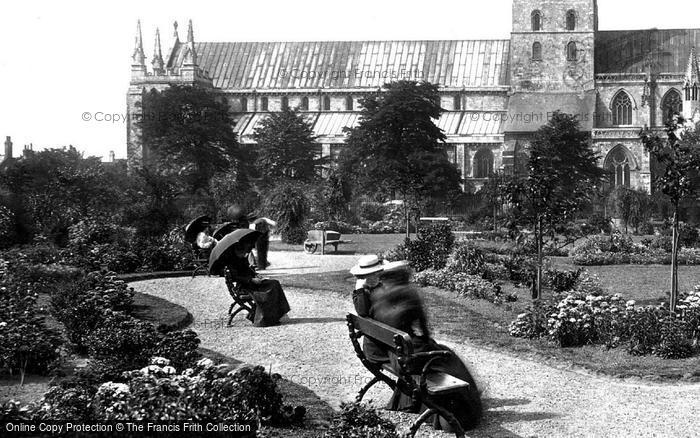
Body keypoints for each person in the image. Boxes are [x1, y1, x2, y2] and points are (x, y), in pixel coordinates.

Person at [373, 260, 483, 432]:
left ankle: (418, 401)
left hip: (395, 356)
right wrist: (428, 342)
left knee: (440, 352)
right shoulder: (408, 293)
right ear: (403, 276)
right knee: (448, 356)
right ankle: (463, 408)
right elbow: (424, 328)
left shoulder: (379, 295)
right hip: (410, 359)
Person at [226, 240, 290, 327]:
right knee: (270, 290)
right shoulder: (232, 262)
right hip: (245, 287)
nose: (245, 253)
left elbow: (248, 270)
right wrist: (251, 280)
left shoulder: (241, 258)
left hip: (252, 283)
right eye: (243, 251)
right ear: (237, 250)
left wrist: (256, 275)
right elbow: (236, 277)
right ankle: (267, 318)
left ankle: (276, 315)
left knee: (275, 283)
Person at [349, 254, 388, 365]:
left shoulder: (382, 289)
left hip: (379, 347)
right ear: (362, 278)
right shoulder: (361, 294)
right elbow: (362, 312)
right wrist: (360, 290)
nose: (373, 278)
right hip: (382, 350)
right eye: (368, 276)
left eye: (376, 274)